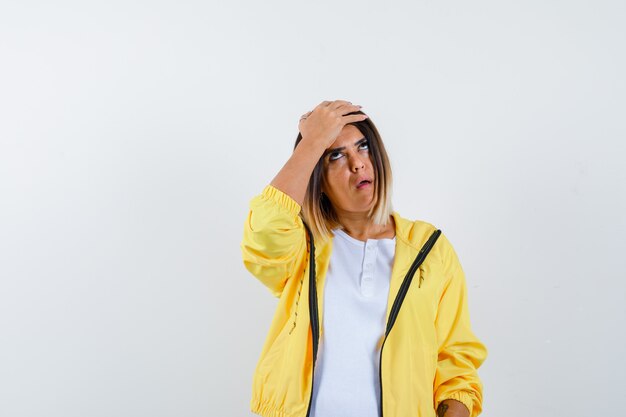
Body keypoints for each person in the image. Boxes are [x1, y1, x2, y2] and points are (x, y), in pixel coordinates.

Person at [240, 100, 487, 417]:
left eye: (364, 147)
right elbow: (264, 230)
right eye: (336, 155)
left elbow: (454, 359)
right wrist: (312, 141)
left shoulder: (430, 248)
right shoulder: (303, 247)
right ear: (319, 180)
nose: (357, 164)